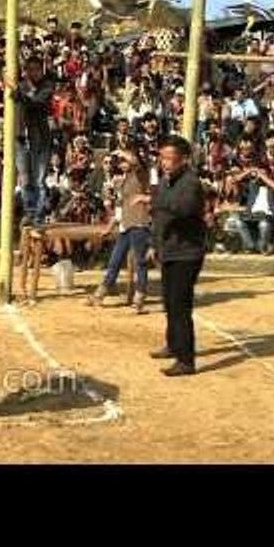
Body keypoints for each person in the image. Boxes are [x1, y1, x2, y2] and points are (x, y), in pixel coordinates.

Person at [143, 135, 206, 376]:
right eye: (162, 158)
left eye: (170, 158)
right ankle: (173, 344)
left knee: (180, 305)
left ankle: (186, 359)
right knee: (169, 302)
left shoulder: (190, 182)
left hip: (187, 252)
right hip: (169, 249)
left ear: (183, 159)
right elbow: (160, 218)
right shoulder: (166, 181)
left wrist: (155, 198)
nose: (165, 163)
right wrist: (153, 244)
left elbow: (184, 208)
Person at [88, 149, 151, 312]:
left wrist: (122, 151)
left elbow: (136, 162)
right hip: (125, 227)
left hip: (138, 224)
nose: (121, 164)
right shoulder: (123, 181)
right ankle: (100, 294)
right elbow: (119, 211)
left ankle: (139, 297)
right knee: (114, 262)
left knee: (140, 263)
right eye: (120, 162)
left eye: (123, 161)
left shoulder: (139, 175)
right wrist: (108, 229)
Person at [15, 54, 56, 223]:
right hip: (20, 138)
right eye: (29, 70)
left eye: (36, 70)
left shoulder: (47, 86)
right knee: (25, 179)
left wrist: (21, 89)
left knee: (39, 179)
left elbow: (35, 103)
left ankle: (39, 215)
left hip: (39, 138)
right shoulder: (20, 86)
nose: (33, 73)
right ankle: (30, 212)